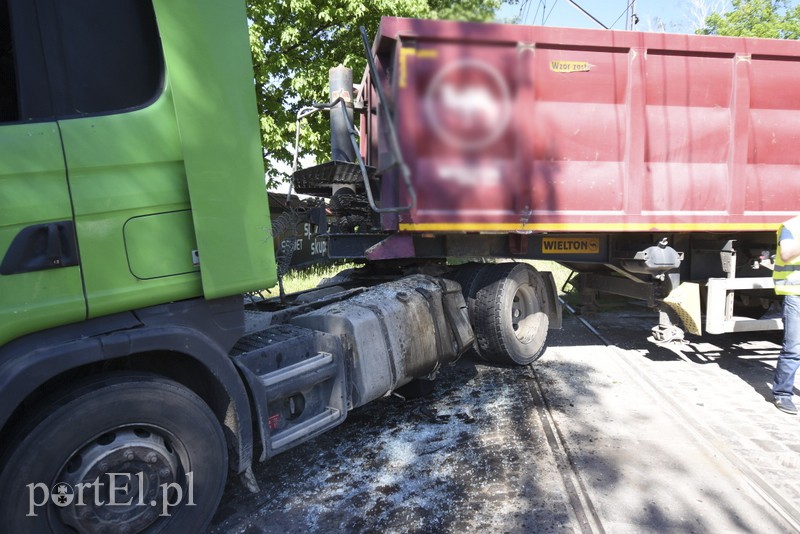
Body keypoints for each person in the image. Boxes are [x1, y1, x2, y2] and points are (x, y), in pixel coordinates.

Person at [773, 215, 800, 414]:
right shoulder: (791, 226)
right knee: (793, 349)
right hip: (796, 295)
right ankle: (783, 395)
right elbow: (787, 254)